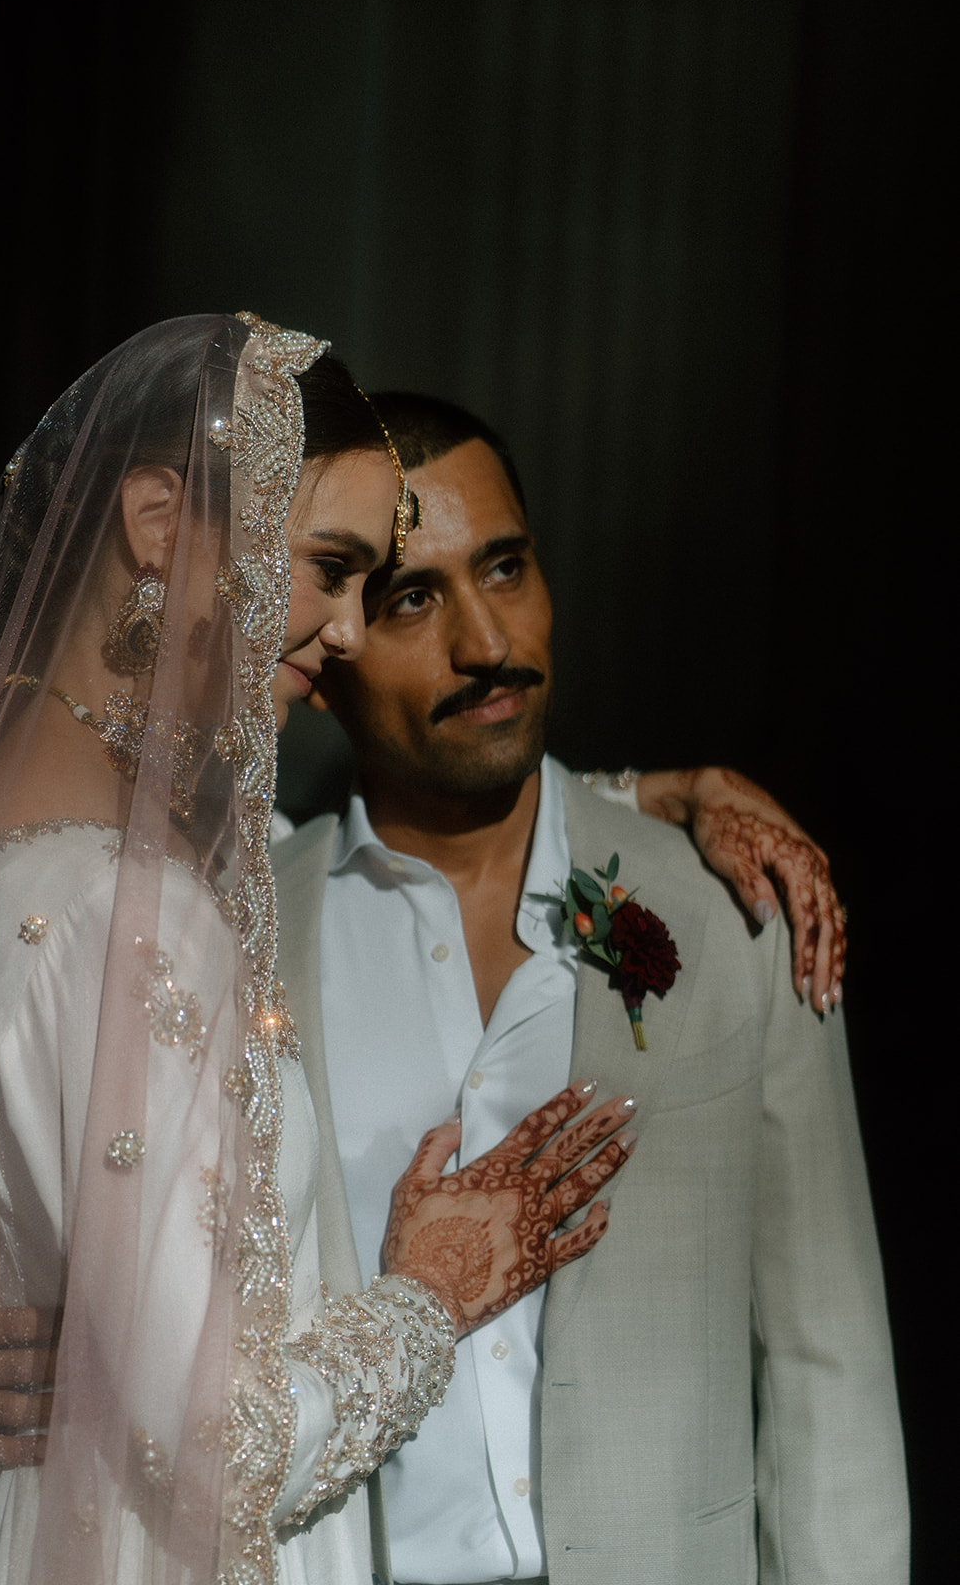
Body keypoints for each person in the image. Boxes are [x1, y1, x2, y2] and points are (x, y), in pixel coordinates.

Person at [0, 319, 642, 1585]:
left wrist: (646, 796)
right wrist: (431, 1295)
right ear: (153, 518)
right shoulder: (141, 913)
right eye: (328, 565)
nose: (345, 630)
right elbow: (222, 1452)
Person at [264, 393, 907, 1583]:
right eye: (415, 596)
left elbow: (829, 1361)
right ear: (332, 633)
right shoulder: (247, 927)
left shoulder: (731, 899)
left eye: (504, 569)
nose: (485, 641)